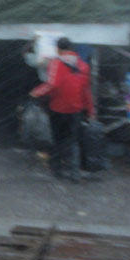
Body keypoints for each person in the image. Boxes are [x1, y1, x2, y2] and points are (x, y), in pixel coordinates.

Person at [30, 37, 95, 182]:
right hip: (76, 109)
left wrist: (36, 92)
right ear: (72, 49)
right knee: (72, 141)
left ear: (58, 49)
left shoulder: (56, 63)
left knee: (57, 139)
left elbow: (53, 84)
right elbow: (86, 91)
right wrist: (90, 110)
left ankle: (56, 169)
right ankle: (74, 173)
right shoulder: (83, 66)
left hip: (58, 109)